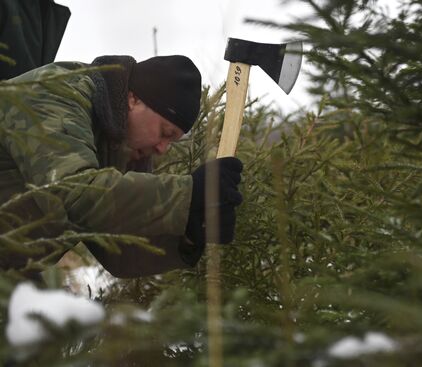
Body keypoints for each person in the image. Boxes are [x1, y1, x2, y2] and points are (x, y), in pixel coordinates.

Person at [0, 55, 244, 278]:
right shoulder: (54, 92)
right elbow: (72, 193)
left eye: (172, 141)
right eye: (164, 133)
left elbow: (120, 250)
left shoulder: (124, 150)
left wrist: (190, 231)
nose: (162, 149)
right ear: (133, 99)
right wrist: (188, 194)